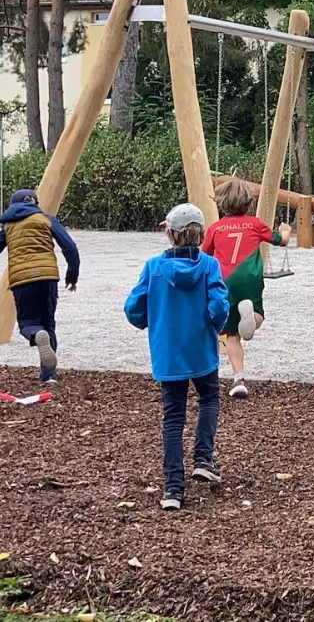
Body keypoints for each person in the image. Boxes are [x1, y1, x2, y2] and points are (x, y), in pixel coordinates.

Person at [126, 203, 231, 510]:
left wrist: (151, 320)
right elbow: (219, 307)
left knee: (173, 417)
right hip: (201, 350)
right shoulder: (210, 265)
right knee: (209, 399)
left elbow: (133, 309)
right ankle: (203, 458)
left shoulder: (153, 267)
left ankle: (173, 487)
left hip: (168, 353)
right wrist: (215, 326)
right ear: (200, 235)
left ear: (170, 233)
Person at [0, 189, 80, 381]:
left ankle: (35, 333)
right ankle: (49, 375)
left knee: (28, 323)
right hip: (48, 277)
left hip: (22, 280)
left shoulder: (8, 226)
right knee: (49, 323)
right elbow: (69, 247)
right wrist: (72, 276)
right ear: (35, 204)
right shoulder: (46, 219)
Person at [200, 179, 291, 399]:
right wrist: (285, 230)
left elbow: (205, 255)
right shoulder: (255, 224)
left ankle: (239, 378)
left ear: (222, 204)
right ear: (248, 203)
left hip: (225, 279)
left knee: (231, 336)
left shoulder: (216, 228)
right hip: (250, 276)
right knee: (257, 314)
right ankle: (252, 317)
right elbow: (281, 241)